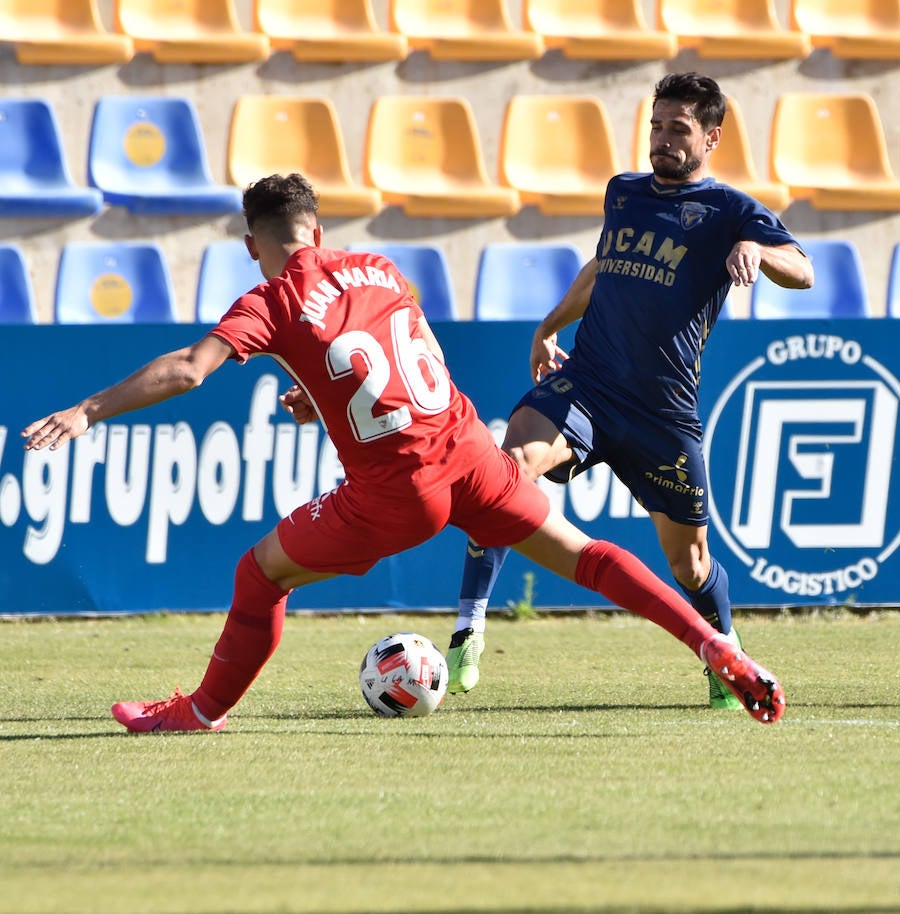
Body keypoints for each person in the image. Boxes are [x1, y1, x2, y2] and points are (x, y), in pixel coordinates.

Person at [22, 173, 784, 732]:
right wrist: (322, 396)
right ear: (316, 229)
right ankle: (715, 644)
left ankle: (198, 711)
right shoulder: (378, 268)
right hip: (472, 455)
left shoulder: (271, 300)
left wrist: (88, 410)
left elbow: (189, 370)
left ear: (255, 244)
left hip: (398, 492)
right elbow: (399, 355)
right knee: (585, 554)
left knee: (258, 575)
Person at [447, 72, 813, 704]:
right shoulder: (623, 193)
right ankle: (467, 629)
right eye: (657, 125)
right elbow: (603, 265)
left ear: (712, 137)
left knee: (690, 567)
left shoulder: (731, 210)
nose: (663, 139)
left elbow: (802, 271)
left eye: (680, 129)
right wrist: (548, 326)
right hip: (587, 384)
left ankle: (724, 655)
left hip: (661, 415)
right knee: (508, 470)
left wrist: (756, 247)